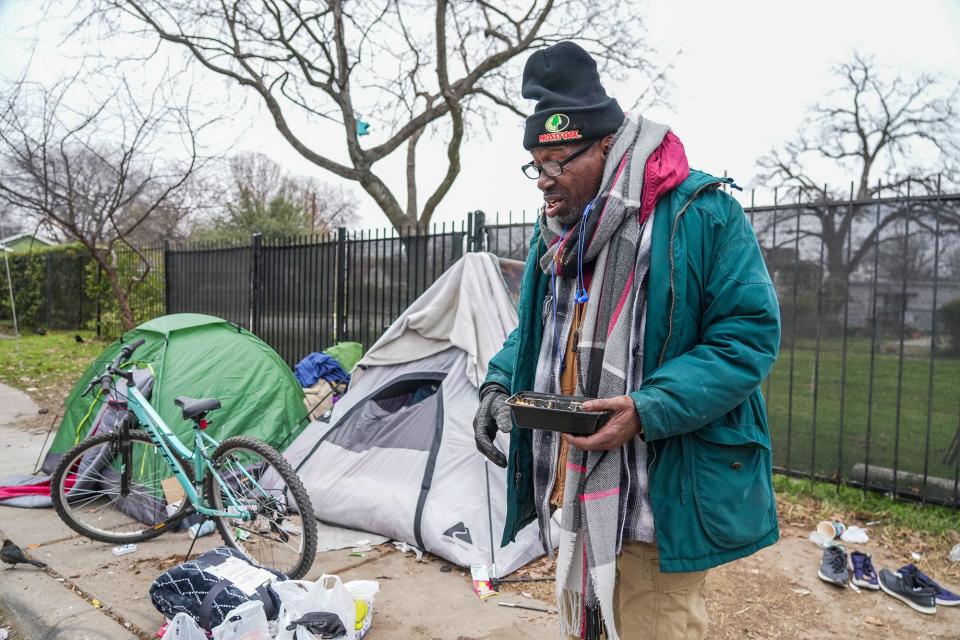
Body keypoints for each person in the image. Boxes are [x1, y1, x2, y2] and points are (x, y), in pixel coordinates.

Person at [473, 41, 781, 640]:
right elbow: (541, 330)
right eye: (536, 163)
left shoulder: (702, 214)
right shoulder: (559, 235)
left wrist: (647, 408)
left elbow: (747, 338)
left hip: (656, 499)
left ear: (608, 145)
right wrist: (499, 381)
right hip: (578, 489)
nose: (543, 180)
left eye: (558, 160)